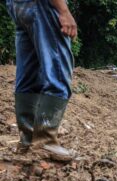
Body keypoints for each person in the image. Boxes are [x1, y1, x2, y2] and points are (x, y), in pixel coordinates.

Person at [6, 0, 77, 159]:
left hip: (17, 5)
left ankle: (28, 141)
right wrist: (63, 10)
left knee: (28, 74)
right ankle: (45, 141)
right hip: (43, 5)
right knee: (58, 70)